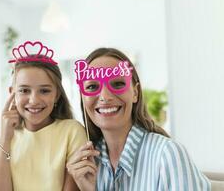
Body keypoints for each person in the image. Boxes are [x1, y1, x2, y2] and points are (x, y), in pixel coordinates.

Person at [67, 48, 211, 191]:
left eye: (117, 84)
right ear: (82, 98)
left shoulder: (168, 154)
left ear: (135, 92)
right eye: (92, 86)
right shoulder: (85, 165)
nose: (105, 96)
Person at [0, 41, 87, 191]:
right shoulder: (7, 135)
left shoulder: (72, 131)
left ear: (57, 95)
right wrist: (5, 138)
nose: (33, 100)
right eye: (24, 90)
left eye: (44, 91)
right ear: (12, 93)